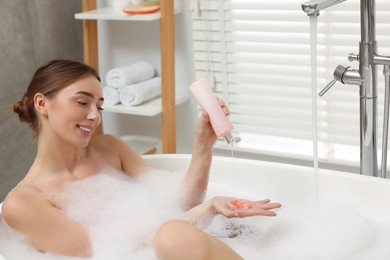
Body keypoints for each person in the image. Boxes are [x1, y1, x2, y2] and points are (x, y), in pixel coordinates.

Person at [0, 59, 281, 259]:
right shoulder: (23, 203)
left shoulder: (110, 148)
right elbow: (102, 251)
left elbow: (181, 204)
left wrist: (203, 145)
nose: (94, 116)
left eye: (99, 106)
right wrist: (207, 210)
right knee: (173, 234)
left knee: (174, 234)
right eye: (82, 102)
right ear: (41, 104)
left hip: (181, 250)